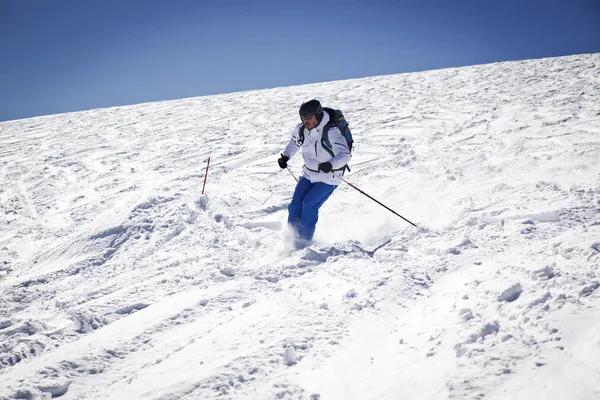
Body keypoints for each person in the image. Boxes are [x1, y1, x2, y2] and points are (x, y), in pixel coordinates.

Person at [278, 99, 351, 248]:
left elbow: (345, 154)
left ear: (317, 115)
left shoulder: (331, 131)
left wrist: (330, 164)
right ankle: (291, 240)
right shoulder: (301, 129)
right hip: (308, 174)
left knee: (309, 204)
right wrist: (285, 156)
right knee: (294, 207)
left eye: (309, 118)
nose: (306, 121)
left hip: (329, 177)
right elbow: (294, 143)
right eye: (303, 118)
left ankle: (303, 243)